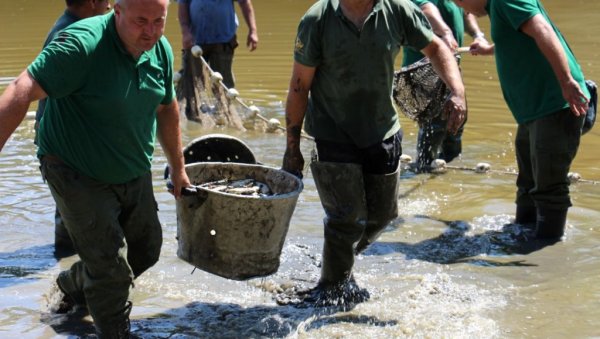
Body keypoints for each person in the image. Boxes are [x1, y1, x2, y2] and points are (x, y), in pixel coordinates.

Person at [0, 0, 191, 336]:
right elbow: (21, 89)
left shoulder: (159, 49)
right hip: (74, 168)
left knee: (146, 249)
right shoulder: (80, 44)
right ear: (116, 11)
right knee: (111, 270)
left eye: (159, 21)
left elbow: (166, 108)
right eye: (140, 21)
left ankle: (71, 285)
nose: (150, 31)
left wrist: (179, 168)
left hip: (131, 163)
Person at [281, 0, 466, 307]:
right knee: (346, 219)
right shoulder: (317, 19)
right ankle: (330, 290)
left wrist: (457, 91)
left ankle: (339, 264)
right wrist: (292, 148)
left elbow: (436, 48)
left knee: (382, 217)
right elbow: (300, 85)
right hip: (332, 133)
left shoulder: (398, 10)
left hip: (382, 131)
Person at [450, 0, 589, 240]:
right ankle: (521, 240)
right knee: (527, 184)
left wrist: (566, 81)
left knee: (548, 186)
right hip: (533, 110)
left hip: (554, 103)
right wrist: (490, 49)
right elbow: (519, 36)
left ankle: (545, 257)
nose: (463, 10)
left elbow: (542, 30)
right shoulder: (498, 6)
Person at [34, 0, 112, 256]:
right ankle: (68, 266)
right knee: (72, 215)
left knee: (72, 213)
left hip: (64, 140)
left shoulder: (77, 26)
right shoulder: (70, 35)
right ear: (90, 3)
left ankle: (68, 263)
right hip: (63, 143)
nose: (110, 4)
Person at [403, 0, 486, 171]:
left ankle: (449, 167)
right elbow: (426, 10)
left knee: (457, 122)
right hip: (424, 70)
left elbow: (465, 11)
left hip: (452, 71)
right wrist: (446, 32)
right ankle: (424, 169)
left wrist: (478, 35)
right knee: (435, 125)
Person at [177, 0, 258, 88]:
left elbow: (244, 2)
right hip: (194, 39)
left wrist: (253, 31)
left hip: (223, 39)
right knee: (190, 82)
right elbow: (183, 4)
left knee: (223, 83)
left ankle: (224, 101)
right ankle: (190, 102)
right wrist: (185, 32)